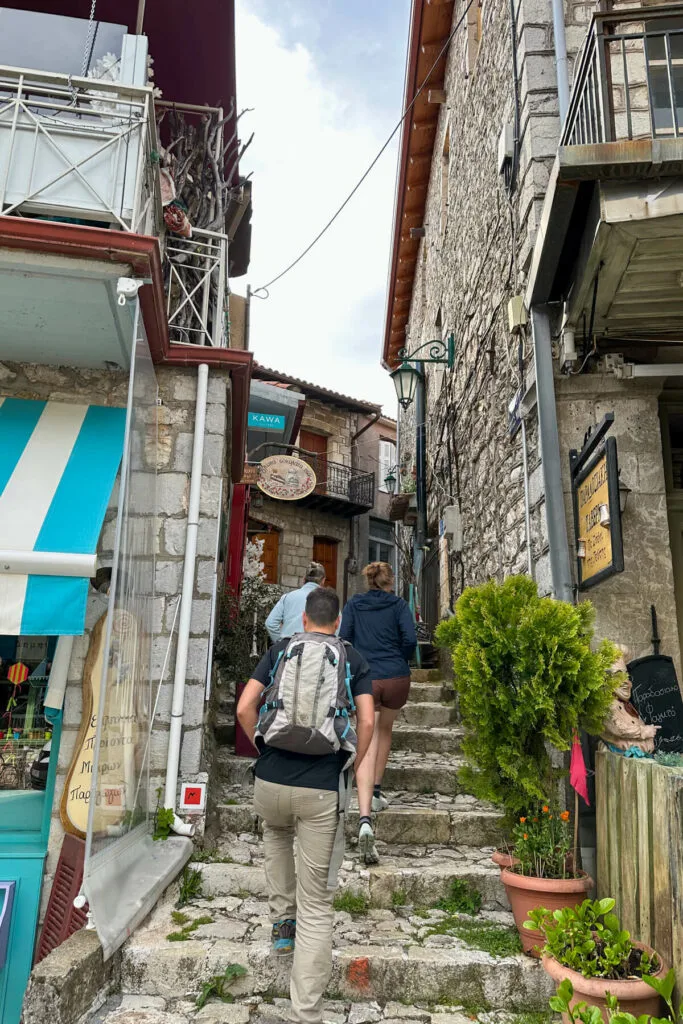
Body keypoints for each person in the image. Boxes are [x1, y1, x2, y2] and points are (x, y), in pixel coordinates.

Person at [237, 587, 375, 1024]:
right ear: (336, 622)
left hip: (270, 781)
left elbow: (245, 707)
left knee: (276, 833)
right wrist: (353, 760)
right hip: (320, 787)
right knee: (317, 906)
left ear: (304, 620)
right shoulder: (351, 658)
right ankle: (306, 1014)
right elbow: (368, 720)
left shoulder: (280, 650)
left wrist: (263, 748)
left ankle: (281, 923)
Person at [340, 561, 416, 865]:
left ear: (368, 580)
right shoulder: (398, 605)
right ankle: (377, 790)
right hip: (396, 676)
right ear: (389, 580)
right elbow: (410, 639)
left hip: (366, 679)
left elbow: (344, 638)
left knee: (365, 734)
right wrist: (399, 660)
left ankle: (365, 816)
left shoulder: (354, 604)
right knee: (384, 730)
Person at [265, 561, 326, 642]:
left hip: (289, 649)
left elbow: (270, 624)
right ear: (323, 580)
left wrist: (281, 642)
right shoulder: (329, 602)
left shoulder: (287, 597)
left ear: (303, 579)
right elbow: (336, 627)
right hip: (317, 650)